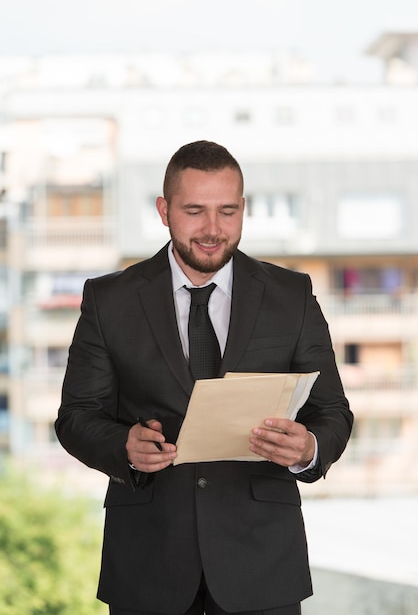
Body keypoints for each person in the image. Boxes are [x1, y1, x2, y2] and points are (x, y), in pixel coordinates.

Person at [55, 140, 353, 615]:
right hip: (147, 564)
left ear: (243, 210)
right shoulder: (108, 300)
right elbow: (76, 418)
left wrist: (309, 448)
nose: (213, 229)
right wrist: (123, 448)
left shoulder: (291, 295)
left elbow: (332, 411)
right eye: (194, 211)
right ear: (164, 210)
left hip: (263, 567)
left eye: (227, 211)